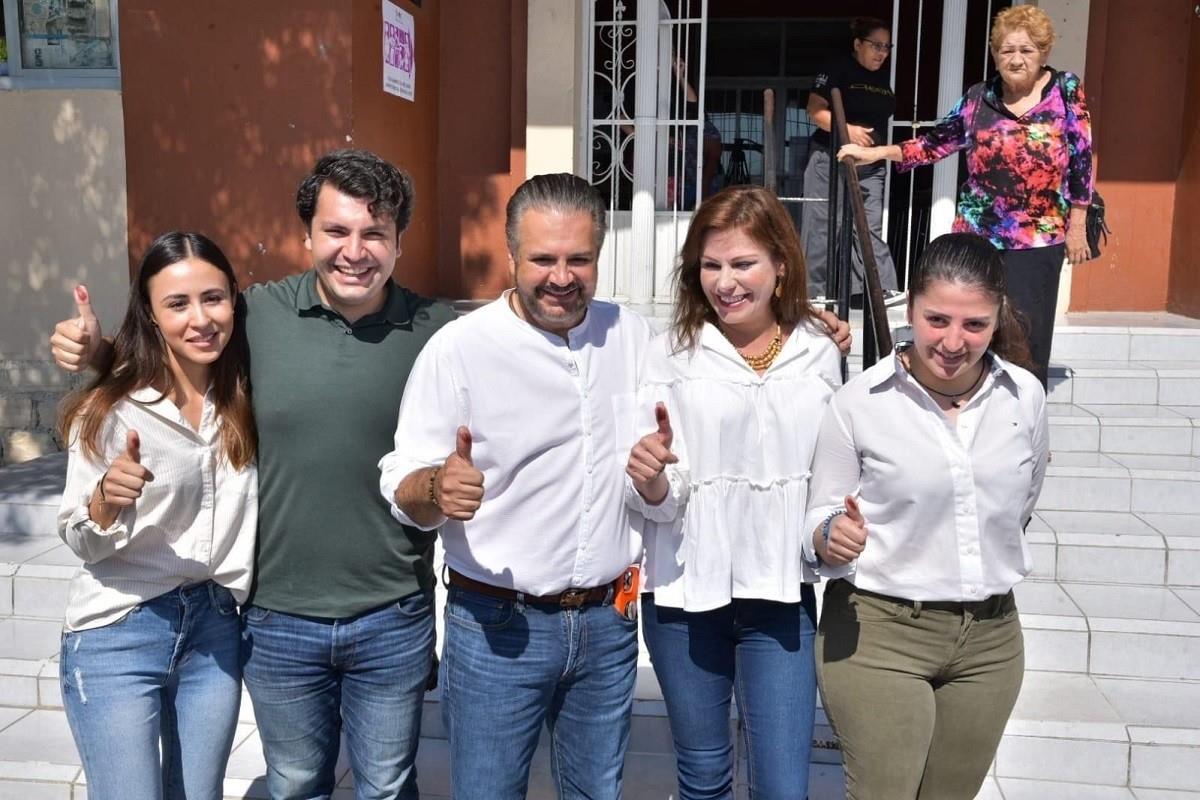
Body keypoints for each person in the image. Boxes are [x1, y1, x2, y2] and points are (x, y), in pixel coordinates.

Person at [378, 174, 851, 799]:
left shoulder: (632, 338)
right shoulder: (459, 350)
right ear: (512, 254)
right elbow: (401, 478)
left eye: (579, 258)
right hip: (497, 627)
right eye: (543, 258)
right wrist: (435, 487)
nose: (561, 275)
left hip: (606, 625)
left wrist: (815, 332)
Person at [50, 149, 457, 800]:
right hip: (275, 617)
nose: (355, 250)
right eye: (336, 231)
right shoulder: (256, 316)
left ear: (400, 242)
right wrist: (99, 353)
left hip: (392, 613)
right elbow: (178, 338)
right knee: (295, 783)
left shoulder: (440, 332)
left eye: (375, 232)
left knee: (386, 786)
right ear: (306, 236)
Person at [805, 232, 1048, 800]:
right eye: (936, 319)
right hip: (879, 632)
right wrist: (829, 536)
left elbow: (1024, 501)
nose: (953, 341)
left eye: (975, 325)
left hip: (990, 641)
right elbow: (818, 512)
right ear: (909, 307)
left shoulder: (1026, 397)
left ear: (997, 319)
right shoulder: (859, 403)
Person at [625, 185, 841, 799]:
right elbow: (661, 495)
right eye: (711, 265)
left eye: (742, 263)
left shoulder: (819, 355)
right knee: (703, 776)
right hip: (684, 597)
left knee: (783, 786)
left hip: (779, 597)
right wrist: (652, 478)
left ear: (780, 265)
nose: (725, 282)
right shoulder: (668, 353)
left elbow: (826, 480)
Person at [56, 231, 257, 800]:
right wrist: (105, 500)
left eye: (213, 298)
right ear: (149, 312)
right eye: (177, 303)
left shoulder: (245, 391)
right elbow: (80, 537)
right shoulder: (112, 410)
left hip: (214, 628)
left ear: (235, 299)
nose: (201, 319)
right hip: (120, 629)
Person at [837, 6, 1094, 387]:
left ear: (1043, 53)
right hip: (978, 232)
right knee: (971, 321)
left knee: (1028, 332)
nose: (1016, 59)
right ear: (995, 55)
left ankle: (1024, 419)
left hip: (1038, 235)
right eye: (1007, 50)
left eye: (1026, 50)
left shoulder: (1065, 90)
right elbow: (935, 142)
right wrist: (878, 153)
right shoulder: (979, 98)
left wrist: (1078, 225)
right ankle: (968, 398)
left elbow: (1082, 157)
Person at [802, 17, 903, 306]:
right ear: (858, 44)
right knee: (822, 226)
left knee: (869, 228)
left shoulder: (882, 79)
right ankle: (814, 294)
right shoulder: (837, 68)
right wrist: (850, 131)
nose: (882, 52)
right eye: (875, 45)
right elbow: (815, 111)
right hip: (830, 158)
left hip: (870, 166)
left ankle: (879, 291)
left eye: (887, 47)